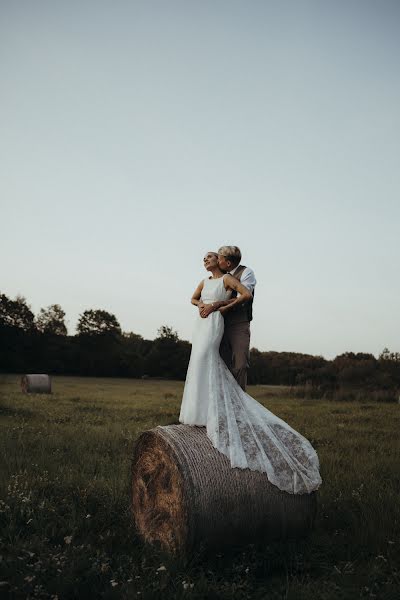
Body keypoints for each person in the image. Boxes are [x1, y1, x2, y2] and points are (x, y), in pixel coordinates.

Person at [179, 251, 322, 495]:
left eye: (214, 256)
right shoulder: (206, 281)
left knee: (233, 364)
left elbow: (246, 295)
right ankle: (205, 410)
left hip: (227, 323)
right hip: (205, 323)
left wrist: (218, 305)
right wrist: (202, 304)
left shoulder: (238, 275)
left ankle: (237, 409)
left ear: (226, 261)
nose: (207, 259)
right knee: (203, 362)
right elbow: (193, 299)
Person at [217, 246, 256, 391]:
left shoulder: (246, 272)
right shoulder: (219, 275)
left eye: (219, 258)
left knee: (240, 364)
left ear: (227, 262)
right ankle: (222, 402)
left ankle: (240, 406)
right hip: (219, 324)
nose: (217, 260)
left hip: (239, 324)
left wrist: (219, 305)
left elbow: (243, 297)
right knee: (220, 363)